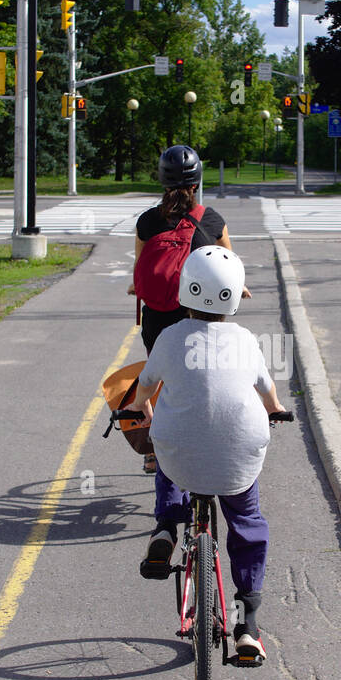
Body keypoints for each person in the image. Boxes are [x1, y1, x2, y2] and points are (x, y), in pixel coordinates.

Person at [129, 247, 286, 665]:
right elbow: (267, 392)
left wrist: (141, 407)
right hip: (238, 453)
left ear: (184, 289)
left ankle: (166, 527)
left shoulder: (168, 337)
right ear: (235, 296)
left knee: (169, 451)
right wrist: (276, 411)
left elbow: (144, 387)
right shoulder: (246, 340)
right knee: (247, 522)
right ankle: (247, 626)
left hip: (180, 451)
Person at [128, 145, 247, 473]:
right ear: (196, 183)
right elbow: (229, 264)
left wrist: (136, 285)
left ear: (162, 182)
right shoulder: (211, 220)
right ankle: (216, 437)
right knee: (206, 374)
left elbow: (140, 266)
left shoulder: (148, 221)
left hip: (156, 316)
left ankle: (154, 448)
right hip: (198, 314)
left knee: (158, 375)